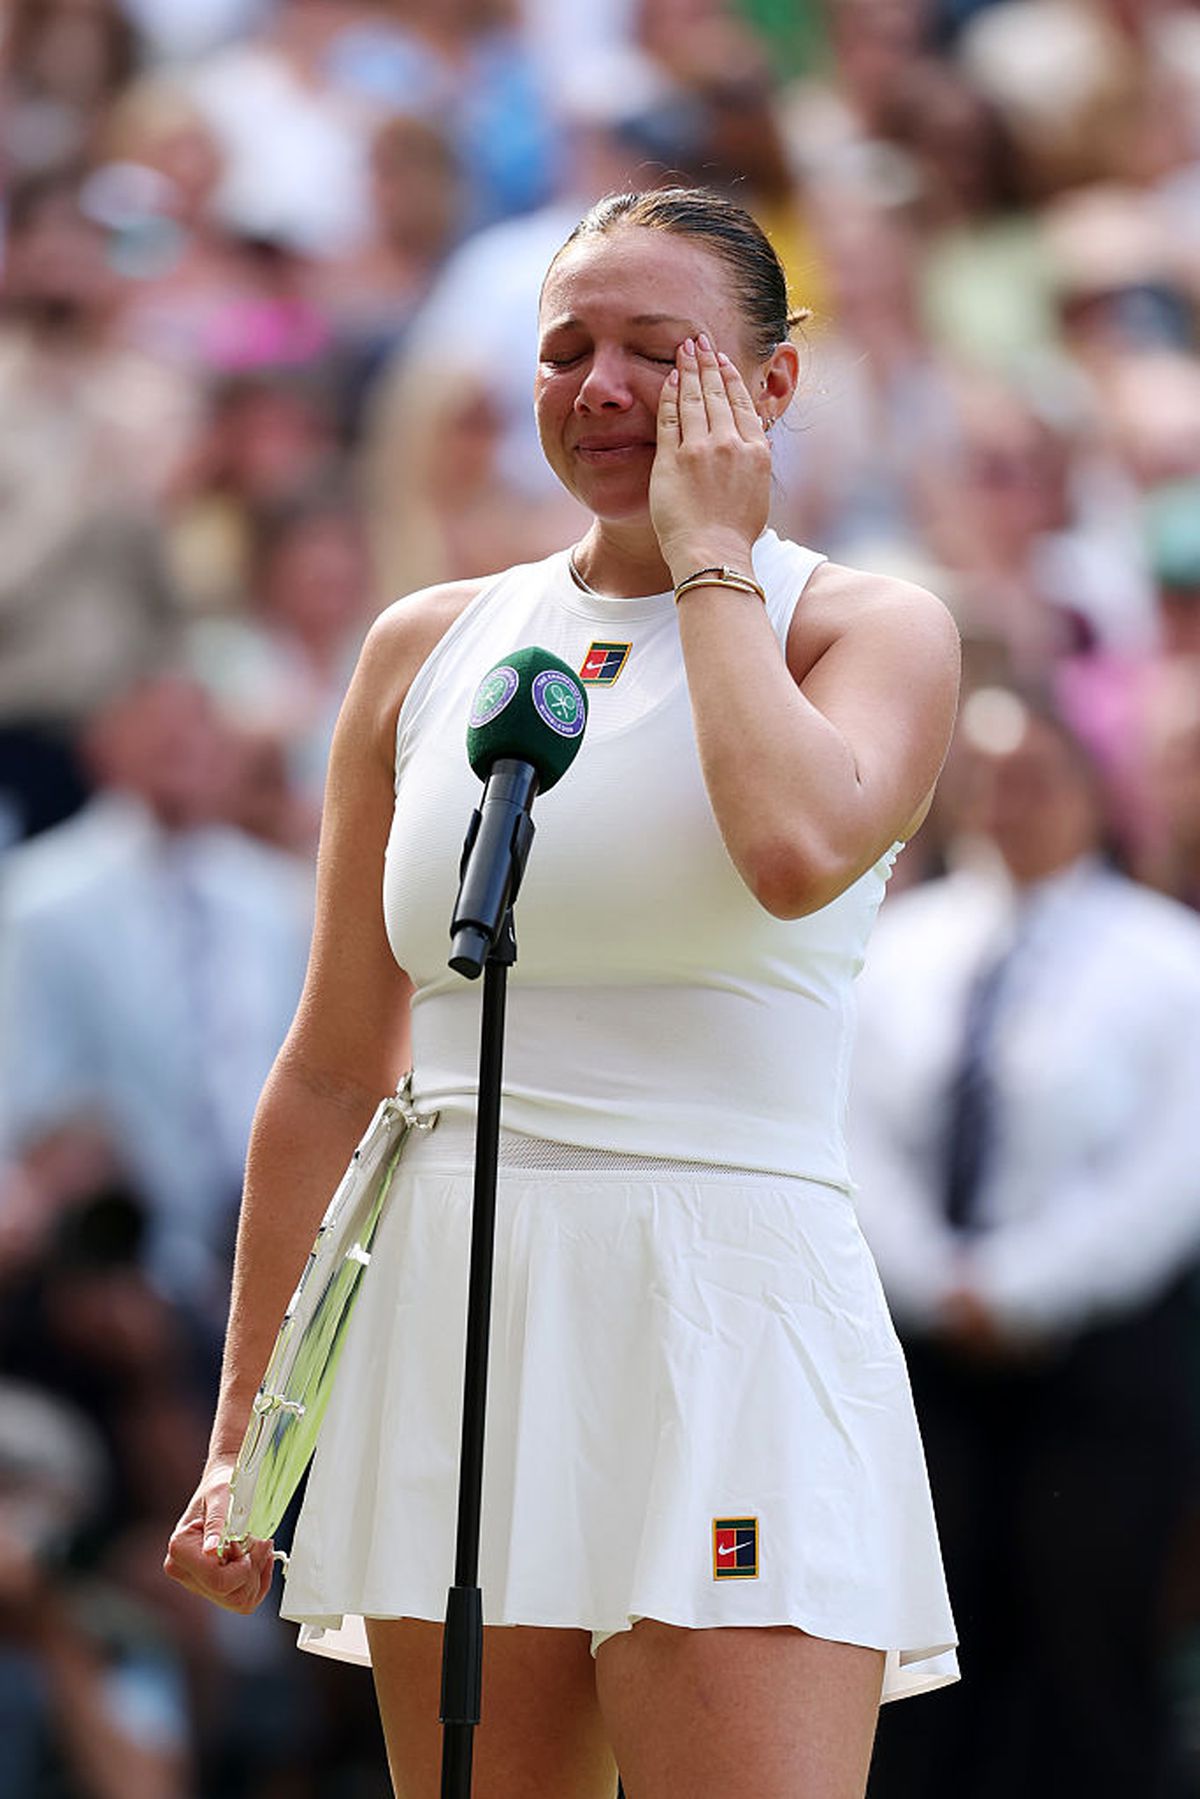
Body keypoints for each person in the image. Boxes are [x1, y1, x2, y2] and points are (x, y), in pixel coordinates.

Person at [165, 187, 961, 1799]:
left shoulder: (869, 625)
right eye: (564, 349)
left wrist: (712, 559)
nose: (599, 387)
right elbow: (332, 1066)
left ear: (774, 383)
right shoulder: (423, 646)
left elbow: (794, 847)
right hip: (451, 1313)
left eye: (658, 352)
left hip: (727, 1319)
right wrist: (248, 1428)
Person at [848, 685, 1200, 1797]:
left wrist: (1020, 1288)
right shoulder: (894, 949)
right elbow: (849, 1133)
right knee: (923, 1670)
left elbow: (1167, 1173)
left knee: (1086, 1659)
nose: (1009, 802)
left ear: (1094, 793)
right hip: (920, 1362)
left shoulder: (1168, 959)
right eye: (987, 778)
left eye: (1037, 776)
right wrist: (935, 1281)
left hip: (1099, 1368)